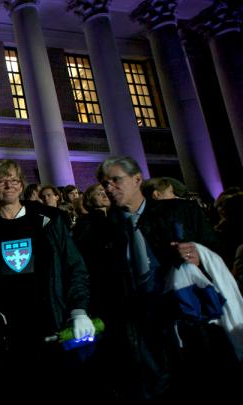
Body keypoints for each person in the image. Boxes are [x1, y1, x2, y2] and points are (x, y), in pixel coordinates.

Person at [79, 156, 239, 402]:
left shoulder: (180, 212)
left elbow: (217, 251)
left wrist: (199, 254)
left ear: (137, 179)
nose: (108, 187)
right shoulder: (100, 229)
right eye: (104, 183)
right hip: (136, 322)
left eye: (115, 180)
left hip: (183, 314)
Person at [0, 160, 94, 403]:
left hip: (52, 321)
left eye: (14, 180)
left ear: (22, 186)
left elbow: (74, 267)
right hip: (10, 332)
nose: (9, 185)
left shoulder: (48, 220)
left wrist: (79, 309)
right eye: (1, 181)